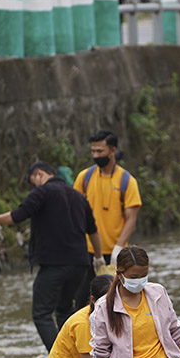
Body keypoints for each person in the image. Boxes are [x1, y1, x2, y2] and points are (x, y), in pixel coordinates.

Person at [0, 161, 103, 351]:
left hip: (54, 264)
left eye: (33, 180)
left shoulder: (42, 192)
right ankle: (76, 356)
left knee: (41, 313)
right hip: (80, 265)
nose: (34, 185)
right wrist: (98, 257)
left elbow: (17, 215)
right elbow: (93, 231)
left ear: (39, 174)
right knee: (65, 310)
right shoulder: (78, 196)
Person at [73, 130, 142, 306]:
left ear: (112, 151)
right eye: (93, 151)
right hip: (87, 251)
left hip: (114, 254)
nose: (95, 155)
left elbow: (131, 218)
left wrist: (119, 247)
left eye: (100, 151)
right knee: (82, 300)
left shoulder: (127, 181)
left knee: (114, 300)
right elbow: (74, 211)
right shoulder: (84, 178)